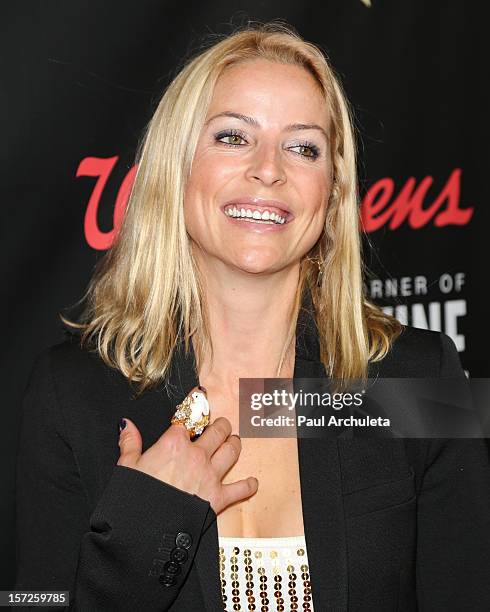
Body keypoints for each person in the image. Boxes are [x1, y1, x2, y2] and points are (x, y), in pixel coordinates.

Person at [14, 21, 490, 612]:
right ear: (176, 169)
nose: (270, 168)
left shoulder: (424, 378)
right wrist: (144, 531)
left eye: (302, 146)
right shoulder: (70, 393)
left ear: (332, 192)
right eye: (233, 137)